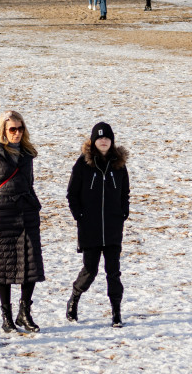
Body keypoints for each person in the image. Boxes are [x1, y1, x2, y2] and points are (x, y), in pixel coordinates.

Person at [0, 111, 45, 333]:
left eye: (20, 129)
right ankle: (6, 316)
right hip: (2, 214)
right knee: (4, 265)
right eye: (12, 129)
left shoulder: (28, 153)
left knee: (31, 263)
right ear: (3, 130)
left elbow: (29, 182)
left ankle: (24, 313)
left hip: (27, 212)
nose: (17, 133)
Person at [66, 121, 130, 328]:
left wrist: (123, 213)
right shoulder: (83, 164)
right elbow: (72, 193)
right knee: (90, 270)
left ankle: (116, 311)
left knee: (113, 271)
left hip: (112, 228)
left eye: (107, 138)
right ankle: (74, 298)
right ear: (93, 141)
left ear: (112, 141)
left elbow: (124, 193)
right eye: (100, 138)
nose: (103, 141)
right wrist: (80, 216)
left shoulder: (119, 165)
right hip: (90, 228)